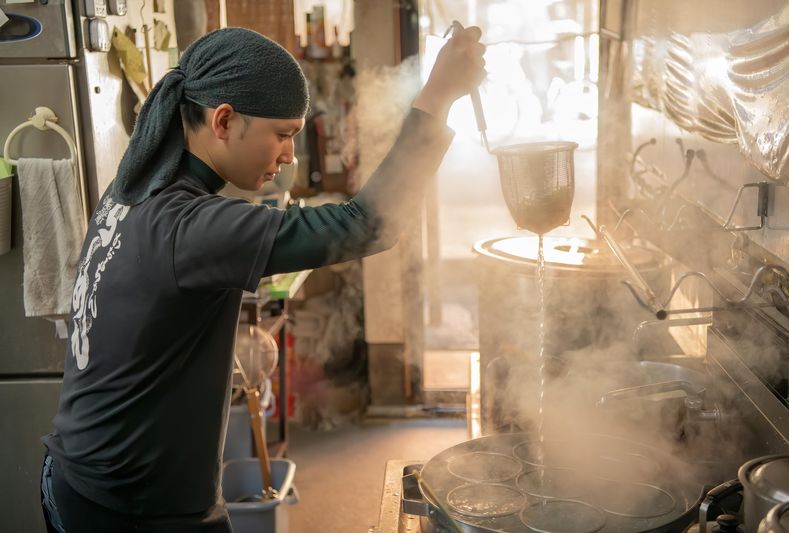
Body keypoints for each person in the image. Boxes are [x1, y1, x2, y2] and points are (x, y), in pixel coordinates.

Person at [40, 25, 485, 532]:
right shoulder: (191, 227)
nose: (291, 155)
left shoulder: (134, 193)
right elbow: (367, 225)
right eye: (284, 134)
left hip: (77, 478)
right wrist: (440, 93)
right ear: (224, 120)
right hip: (132, 508)